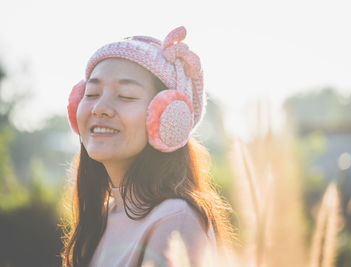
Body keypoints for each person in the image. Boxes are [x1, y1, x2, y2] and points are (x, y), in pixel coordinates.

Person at [61, 26, 234, 267]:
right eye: (91, 94)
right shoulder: (104, 216)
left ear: (167, 117)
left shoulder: (174, 219)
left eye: (126, 96)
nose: (99, 107)